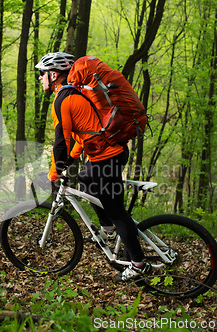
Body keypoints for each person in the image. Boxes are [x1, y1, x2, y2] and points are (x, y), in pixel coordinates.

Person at [35, 52, 150, 281]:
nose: (40, 78)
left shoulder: (63, 99)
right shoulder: (73, 95)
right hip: (107, 155)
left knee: (117, 211)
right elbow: (83, 135)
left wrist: (54, 173)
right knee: (86, 180)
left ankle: (139, 264)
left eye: (42, 73)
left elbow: (61, 141)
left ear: (54, 74)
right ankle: (107, 229)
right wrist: (70, 160)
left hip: (108, 159)